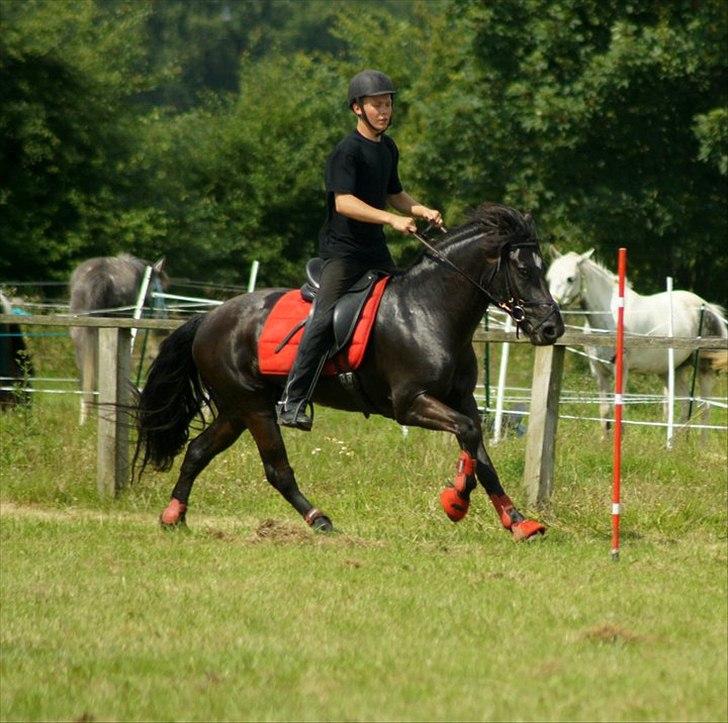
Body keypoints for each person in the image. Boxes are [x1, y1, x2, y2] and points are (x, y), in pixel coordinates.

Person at [276, 69, 443, 430]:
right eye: (376, 105)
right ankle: (293, 400)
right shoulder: (346, 152)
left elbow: (395, 193)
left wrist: (420, 209)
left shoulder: (388, 147)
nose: (384, 111)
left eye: (388, 104)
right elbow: (345, 203)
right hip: (343, 253)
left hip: (374, 251)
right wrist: (391, 220)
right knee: (322, 318)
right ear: (357, 108)